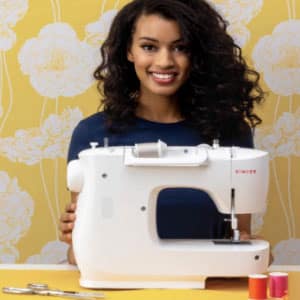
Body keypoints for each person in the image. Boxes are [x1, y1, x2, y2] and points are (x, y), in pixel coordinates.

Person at [59, 0, 265, 265]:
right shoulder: (94, 135)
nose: (165, 61)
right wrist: (75, 236)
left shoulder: (230, 132)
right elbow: (78, 254)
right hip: (122, 281)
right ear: (129, 51)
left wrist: (249, 245)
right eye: (149, 47)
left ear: (198, 54)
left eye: (180, 47)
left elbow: (239, 232)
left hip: (208, 283)